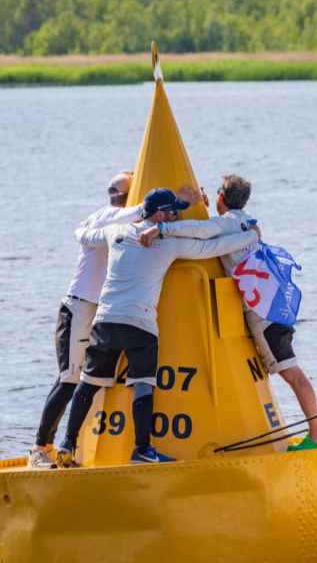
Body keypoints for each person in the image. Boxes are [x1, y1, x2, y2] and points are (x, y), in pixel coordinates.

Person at [56, 187, 259, 465]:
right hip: (140, 323)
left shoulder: (115, 232)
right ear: (161, 214)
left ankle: (67, 444)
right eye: (173, 211)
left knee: (88, 384)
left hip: (105, 320)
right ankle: (142, 449)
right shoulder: (168, 244)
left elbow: (83, 234)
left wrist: (93, 221)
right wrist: (249, 235)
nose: (176, 216)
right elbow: (212, 246)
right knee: (143, 385)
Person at [138, 175, 317, 451]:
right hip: (273, 304)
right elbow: (211, 229)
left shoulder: (227, 224)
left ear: (220, 197)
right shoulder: (247, 222)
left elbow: (201, 231)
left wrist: (162, 230)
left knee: (292, 374)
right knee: (292, 370)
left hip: (262, 314)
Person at [28, 171, 141, 469]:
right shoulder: (110, 216)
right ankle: (40, 447)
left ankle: (70, 446)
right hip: (78, 306)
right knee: (69, 378)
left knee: (89, 379)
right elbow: (139, 214)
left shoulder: (110, 220)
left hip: (98, 309)